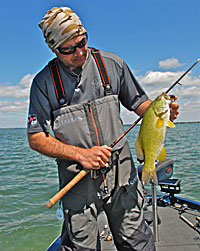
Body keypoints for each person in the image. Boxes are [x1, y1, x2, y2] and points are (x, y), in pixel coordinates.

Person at [27, 7, 179, 251]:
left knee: (137, 241)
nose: (80, 52)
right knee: (82, 247)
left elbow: (140, 103)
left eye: (82, 42)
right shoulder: (43, 83)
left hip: (122, 174)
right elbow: (36, 138)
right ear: (54, 49)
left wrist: (162, 112)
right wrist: (81, 155)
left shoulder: (112, 64)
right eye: (69, 49)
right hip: (77, 181)